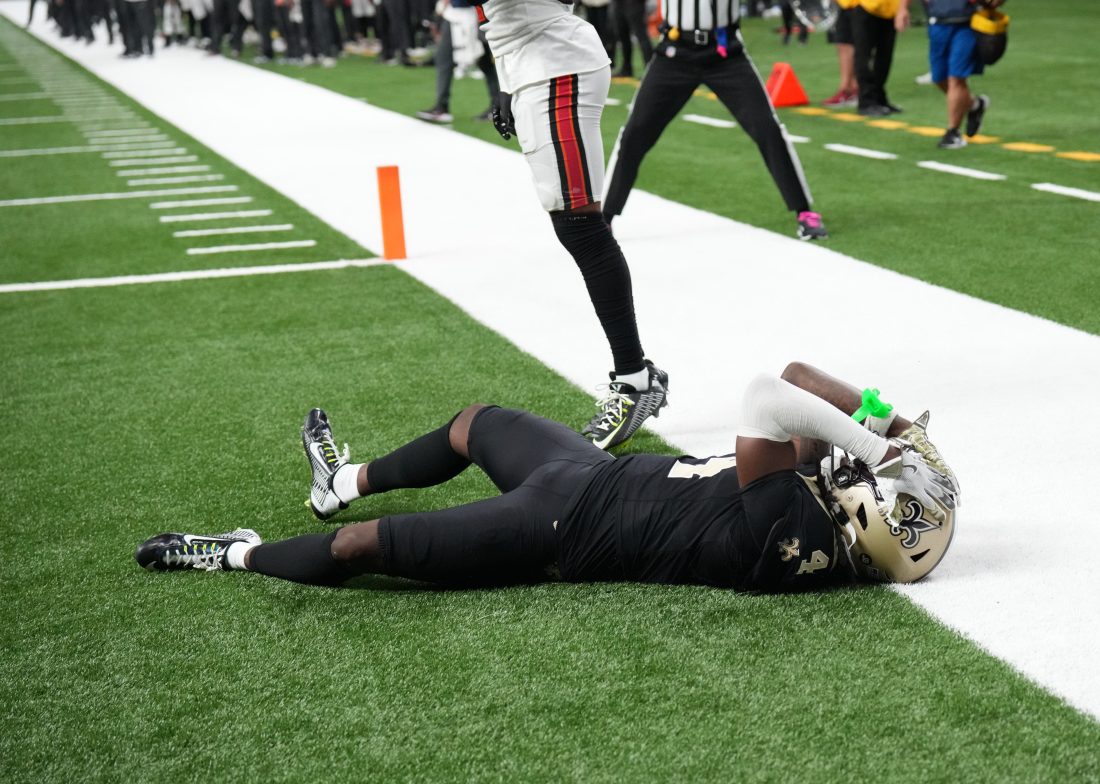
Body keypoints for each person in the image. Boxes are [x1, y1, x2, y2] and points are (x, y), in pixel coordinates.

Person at [135, 362, 960, 591]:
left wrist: (884, 445)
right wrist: (892, 426)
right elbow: (800, 378)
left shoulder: (791, 528)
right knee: (474, 424)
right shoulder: (827, 522)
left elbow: (766, 393)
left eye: (878, 486)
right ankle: (339, 480)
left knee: (358, 548)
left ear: (864, 517)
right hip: (592, 475)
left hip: (563, 532)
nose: (863, 472)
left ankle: (235, 553)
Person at [479, 0, 669, 449]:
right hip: (533, 64)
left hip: (556, 64)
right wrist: (507, 80)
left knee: (581, 225)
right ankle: (634, 375)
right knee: (575, 223)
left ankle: (634, 379)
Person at [600, 0, 829, 242]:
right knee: (635, 132)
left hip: (725, 52)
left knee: (767, 129)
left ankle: (804, 211)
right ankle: (604, 218)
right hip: (674, 53)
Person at [923, 0, 1001, 149]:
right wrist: (903, 9)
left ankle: (953, 132)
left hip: (967, 22)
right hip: (938, 20)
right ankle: (975, 104)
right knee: (939, 78)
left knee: (956, 78)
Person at [415, 0, 500, 124]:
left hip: (469, 14)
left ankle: (498, 107)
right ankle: (498, 107)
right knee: (480, 62)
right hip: (458, 14)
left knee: (482, 61)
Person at [851, 0, 907, 116]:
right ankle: (866, 101)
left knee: (885, 56)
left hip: (890, 9)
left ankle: (879, 98)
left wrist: (902, 9)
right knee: (863, 56)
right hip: (865, 7)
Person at [823, 0, 859, 107]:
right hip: (846, 4)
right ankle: (851, 89)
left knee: (849, 44)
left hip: (857, 5)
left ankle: (848, 90)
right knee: (844, 43)